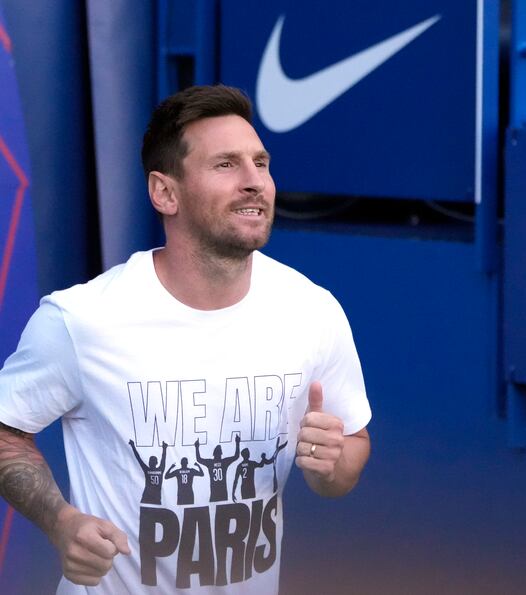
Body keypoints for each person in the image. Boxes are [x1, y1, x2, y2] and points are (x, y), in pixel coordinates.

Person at [0, 84, 371, 593]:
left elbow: (350, 451)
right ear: (164, 192)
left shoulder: (312, 310)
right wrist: (60, 521)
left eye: (260, 164)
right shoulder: (81, 320)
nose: (254, 182)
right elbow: (6, 429)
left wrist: (331, 466)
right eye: (226, 165)